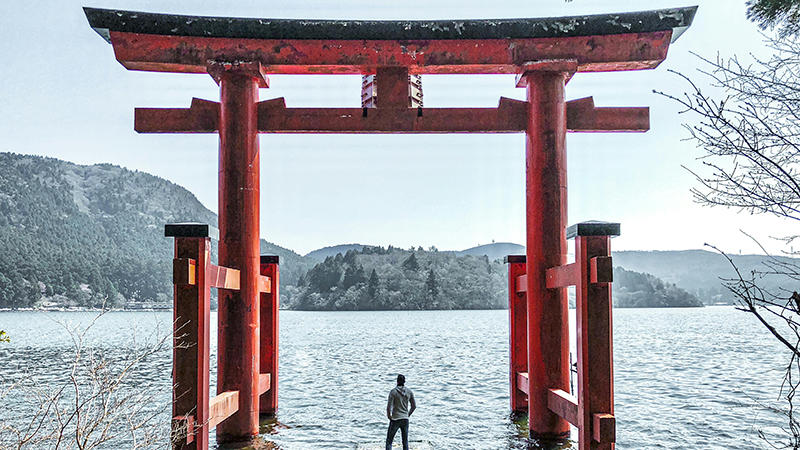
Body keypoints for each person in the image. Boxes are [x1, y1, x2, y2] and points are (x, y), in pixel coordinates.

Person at [385, 374, 416, 450]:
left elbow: (389, 407)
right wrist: (407, 414)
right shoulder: (409, 392)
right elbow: (414, 406)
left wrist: (390, 417)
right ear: (404, 382)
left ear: (397, 381)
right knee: (405, 442)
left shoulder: (393, 392)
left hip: (395, 418)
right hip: (405, 419)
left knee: (389, 441)